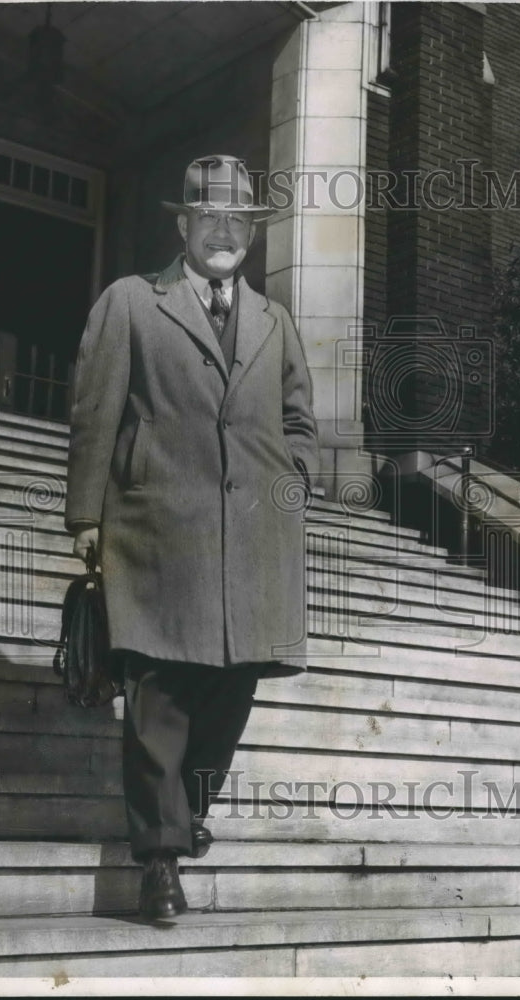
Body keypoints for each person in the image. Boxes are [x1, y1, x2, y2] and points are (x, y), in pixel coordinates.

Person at [64, 154, 320, 922]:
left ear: (251, 235)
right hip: (155, 537)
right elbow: (94, 413)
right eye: (208, 218)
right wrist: (85, 516)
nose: (223, 233)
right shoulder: (132, 302)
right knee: (157, 708)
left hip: (251, 548)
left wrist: (290, 485)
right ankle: (160, 860)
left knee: (227, 703)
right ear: (183, 225)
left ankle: (186, 807)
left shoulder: (275, 321)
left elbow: (301, 423)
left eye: (237, 222)